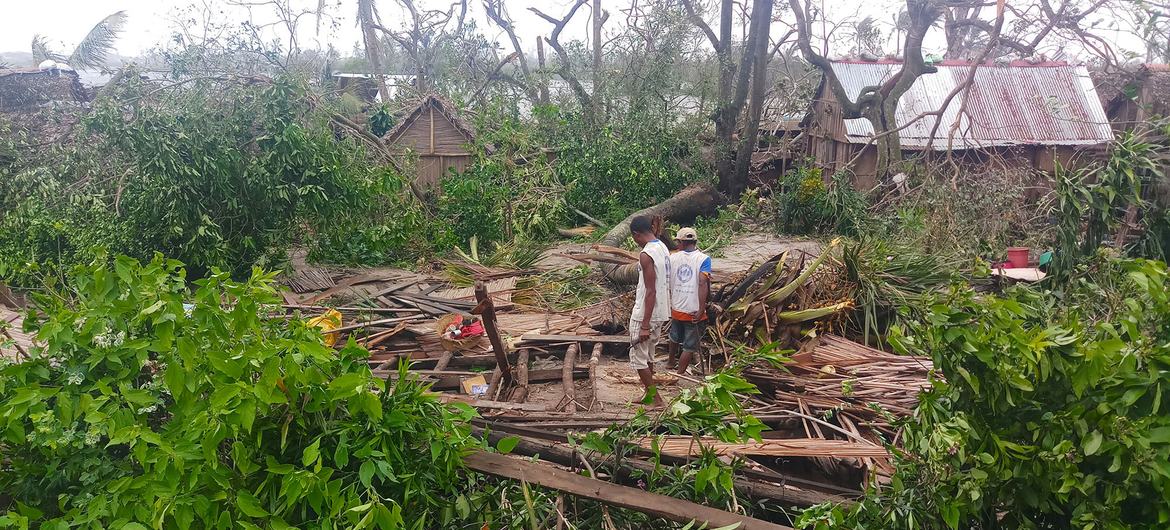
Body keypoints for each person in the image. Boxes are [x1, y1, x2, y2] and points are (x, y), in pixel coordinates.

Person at [628, 215, 671, 406]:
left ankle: (656, 398)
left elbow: (650, 290)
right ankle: (648, 393)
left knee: (638, 358)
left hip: (646, 312)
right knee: (649, 354)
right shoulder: (662, 247)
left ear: (636, 235)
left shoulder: (646, 254)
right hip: (661, 311)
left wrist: (644, 325)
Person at [667, 227, 711, 375]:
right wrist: (701, 309)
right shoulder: (704, 259)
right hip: (693, 310)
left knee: (674, 336)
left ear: (680, 242)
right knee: (689, 345)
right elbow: (702, 282)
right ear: (695, 241)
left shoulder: (672, 258)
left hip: (676, 308)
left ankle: (670, 362)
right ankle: (680, 373)